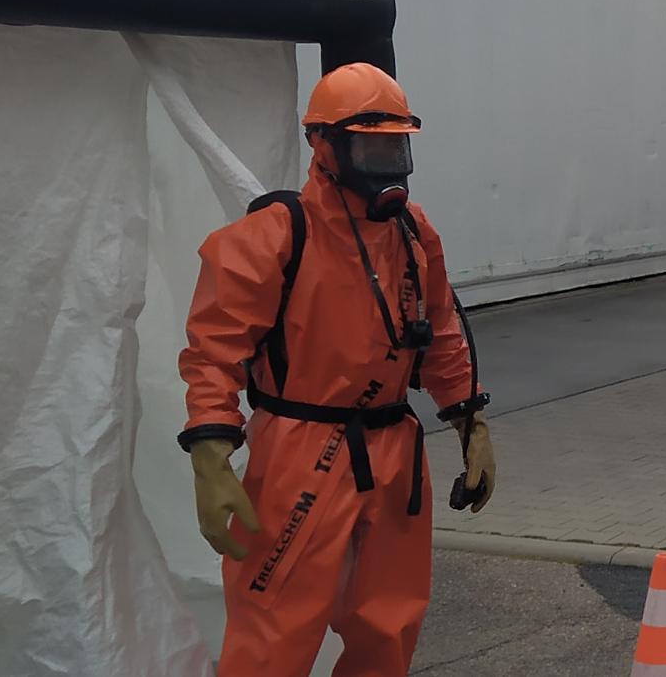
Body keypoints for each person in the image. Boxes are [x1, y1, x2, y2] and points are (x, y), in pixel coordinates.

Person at [177, 62, 497, 676]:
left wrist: (470, 423)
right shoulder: (272, 237)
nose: (387, 160)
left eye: (395, 145)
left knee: (389, 623)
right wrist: (209, 458)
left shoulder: (411, 233)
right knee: (275, 627)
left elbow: (441, 330)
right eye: (370, 145)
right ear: (324, 146)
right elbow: (214, 350)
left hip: (396, 450)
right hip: (299, 452)